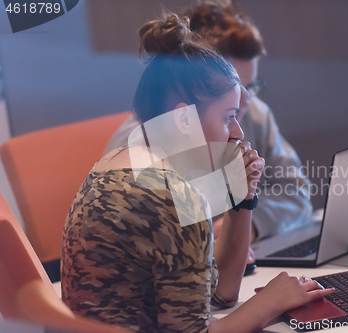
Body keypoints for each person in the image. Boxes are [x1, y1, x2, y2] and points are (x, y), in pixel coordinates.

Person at [61, 13, 334, 333]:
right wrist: (271, 300)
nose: (237, 133)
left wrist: (242, 200)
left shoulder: (115, 163)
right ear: (184, 120)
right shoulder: (174, 200)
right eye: (228, 117)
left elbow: (219, 295)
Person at [104, 1, 312, 244]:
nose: (245, 102)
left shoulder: (255, 114)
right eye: (234, 89)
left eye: (251, 86)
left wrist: (250, 226)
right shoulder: (137, 146)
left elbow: (296, 191)